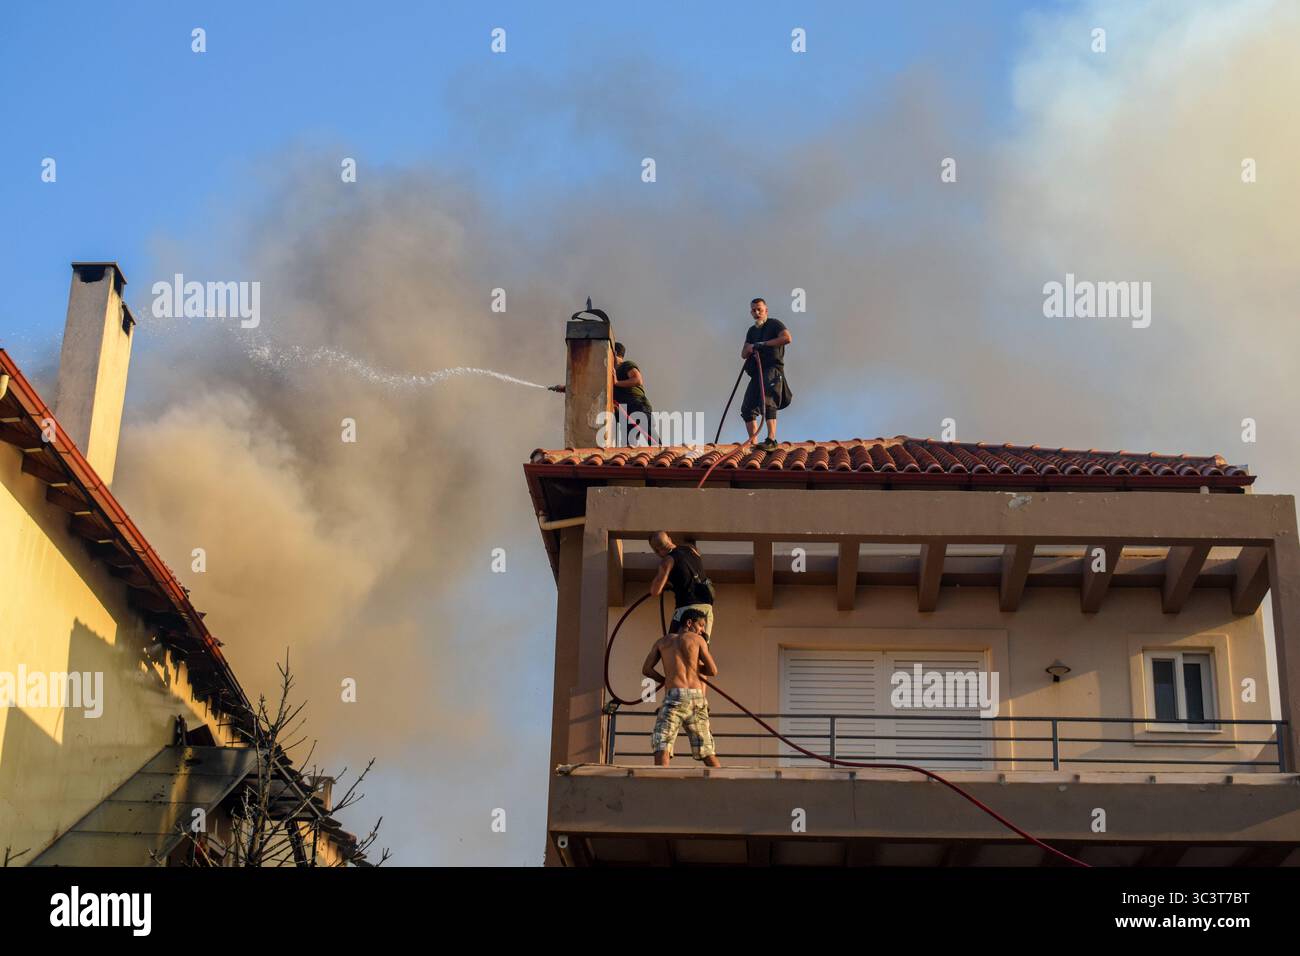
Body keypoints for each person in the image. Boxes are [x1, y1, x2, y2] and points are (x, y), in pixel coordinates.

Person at [642, 608, 721, 767]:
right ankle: (724, 785)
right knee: (706, 749)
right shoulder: (698, 641)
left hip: (675, 697)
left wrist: (666, 680)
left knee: (662, 743)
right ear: (689, 623)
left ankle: (662, 786)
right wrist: (696, 668)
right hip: (697, 698)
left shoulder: (662, 642)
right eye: (701, 625)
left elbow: (646, 670)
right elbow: (713, 671)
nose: (702, 630)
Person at [739, 297, 793, 451]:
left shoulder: (774, 324)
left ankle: (771, 439)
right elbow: (743, 353)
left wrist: (763, 344)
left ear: (766, 311)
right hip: (757, 372)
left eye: (759, 310)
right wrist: (749, 348)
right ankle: (753, 443)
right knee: (747, 408)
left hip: (772, 370)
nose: (756, 313)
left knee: (768, 400)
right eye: (754, 310)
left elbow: (787, 338)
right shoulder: (751, 331)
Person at [649, 531, 715, 641]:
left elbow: (655, 591)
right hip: (706, 609)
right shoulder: (692, 549)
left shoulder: (667, 561)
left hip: (686, 610)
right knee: (702, 650)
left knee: (670, 647)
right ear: (670, 539)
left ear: (656, 551)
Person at [613, 342, 655, 445]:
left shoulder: (626, 365)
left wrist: (617, 383)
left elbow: (637, 379)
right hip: (627, 410)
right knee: (629, 444)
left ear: (614, 352)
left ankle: (662, 455)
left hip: (638, 405)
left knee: (650, 437)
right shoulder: (612, 371)